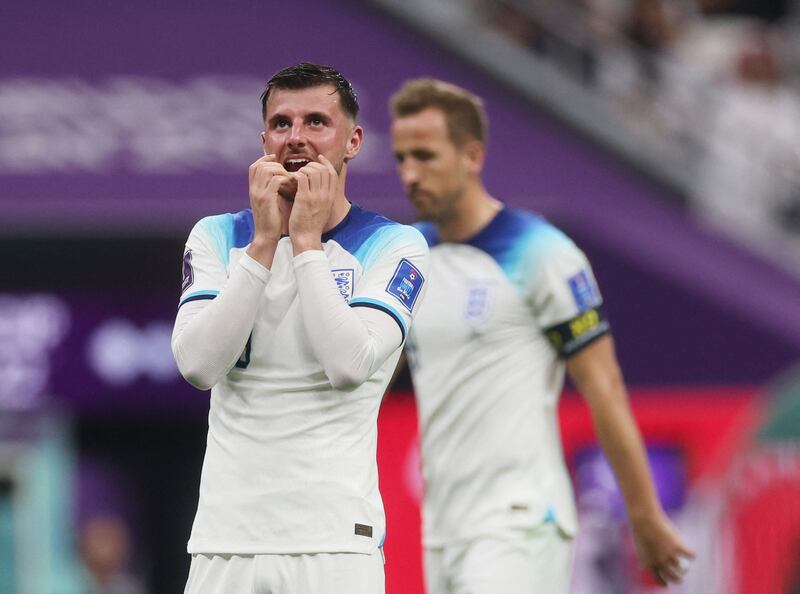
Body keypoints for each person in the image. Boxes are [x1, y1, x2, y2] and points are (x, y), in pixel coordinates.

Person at [388, 78, 693, 594]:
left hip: (518, 519)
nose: (410, 174)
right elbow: (364, 371)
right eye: (400, 158)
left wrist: (644, 515)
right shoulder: (409, 255)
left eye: (425, 156)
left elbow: (604, 387)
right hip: (440, 528)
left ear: (472, 155)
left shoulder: (542, 252)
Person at [171, 62, 429, 594]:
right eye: (282, 123)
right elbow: (197, 365)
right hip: (225, 542)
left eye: (317, 122)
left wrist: (306, 243)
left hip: (333, 543)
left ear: (352, 141)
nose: (298, 138)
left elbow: (349, 363)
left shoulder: (395, 245)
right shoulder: (218, 236)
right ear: (264, 138)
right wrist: (266, 242)